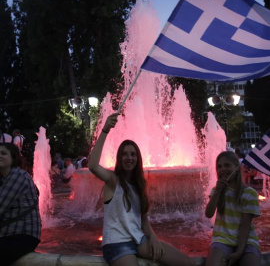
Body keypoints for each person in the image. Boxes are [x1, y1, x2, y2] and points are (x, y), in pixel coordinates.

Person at [89, 113, 194, 266]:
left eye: (133, 154)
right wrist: (105, 130)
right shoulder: (113, 180)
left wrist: (154, 238)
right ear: (119, 158)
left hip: (140, 240)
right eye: (124, 154)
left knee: (187, 263)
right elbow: (92, 166)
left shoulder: (139, 186)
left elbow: (144, 220)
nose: (129, 158)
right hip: (116, 243)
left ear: (138, 159)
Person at [205, 151, 261, 266]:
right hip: (222, 239)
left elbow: (245, 226)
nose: (222, 169)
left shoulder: (249, 193)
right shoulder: (216, 190)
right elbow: (209, 214)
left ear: (236, 168)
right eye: (219, 166)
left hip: (246, 241)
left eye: (227, 165)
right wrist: (217, 192)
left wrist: (240, 252)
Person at [0, 143, 41, 265]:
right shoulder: (4, 178)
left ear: (13, 158)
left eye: (3, 153)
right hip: (8, 235)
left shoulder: (17, 175)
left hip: (21, 236)